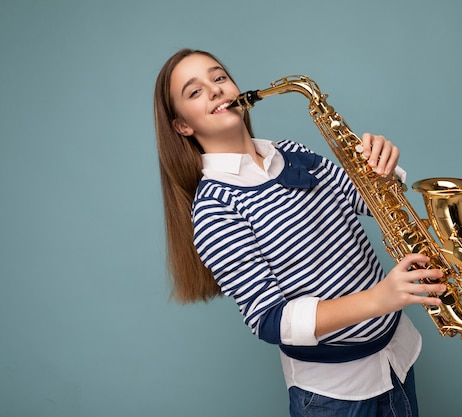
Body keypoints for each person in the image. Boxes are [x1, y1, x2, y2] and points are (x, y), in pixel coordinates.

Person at [153, 48, 446, 417]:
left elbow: (367, 201)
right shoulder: (215, 207)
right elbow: (271, 319)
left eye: (219, 78)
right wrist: (380, 298)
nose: (214, 90)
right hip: (335, 398)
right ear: (182, 125)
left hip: (397, 360)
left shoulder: (290, 151)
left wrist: (380, 169)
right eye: (194, 92)